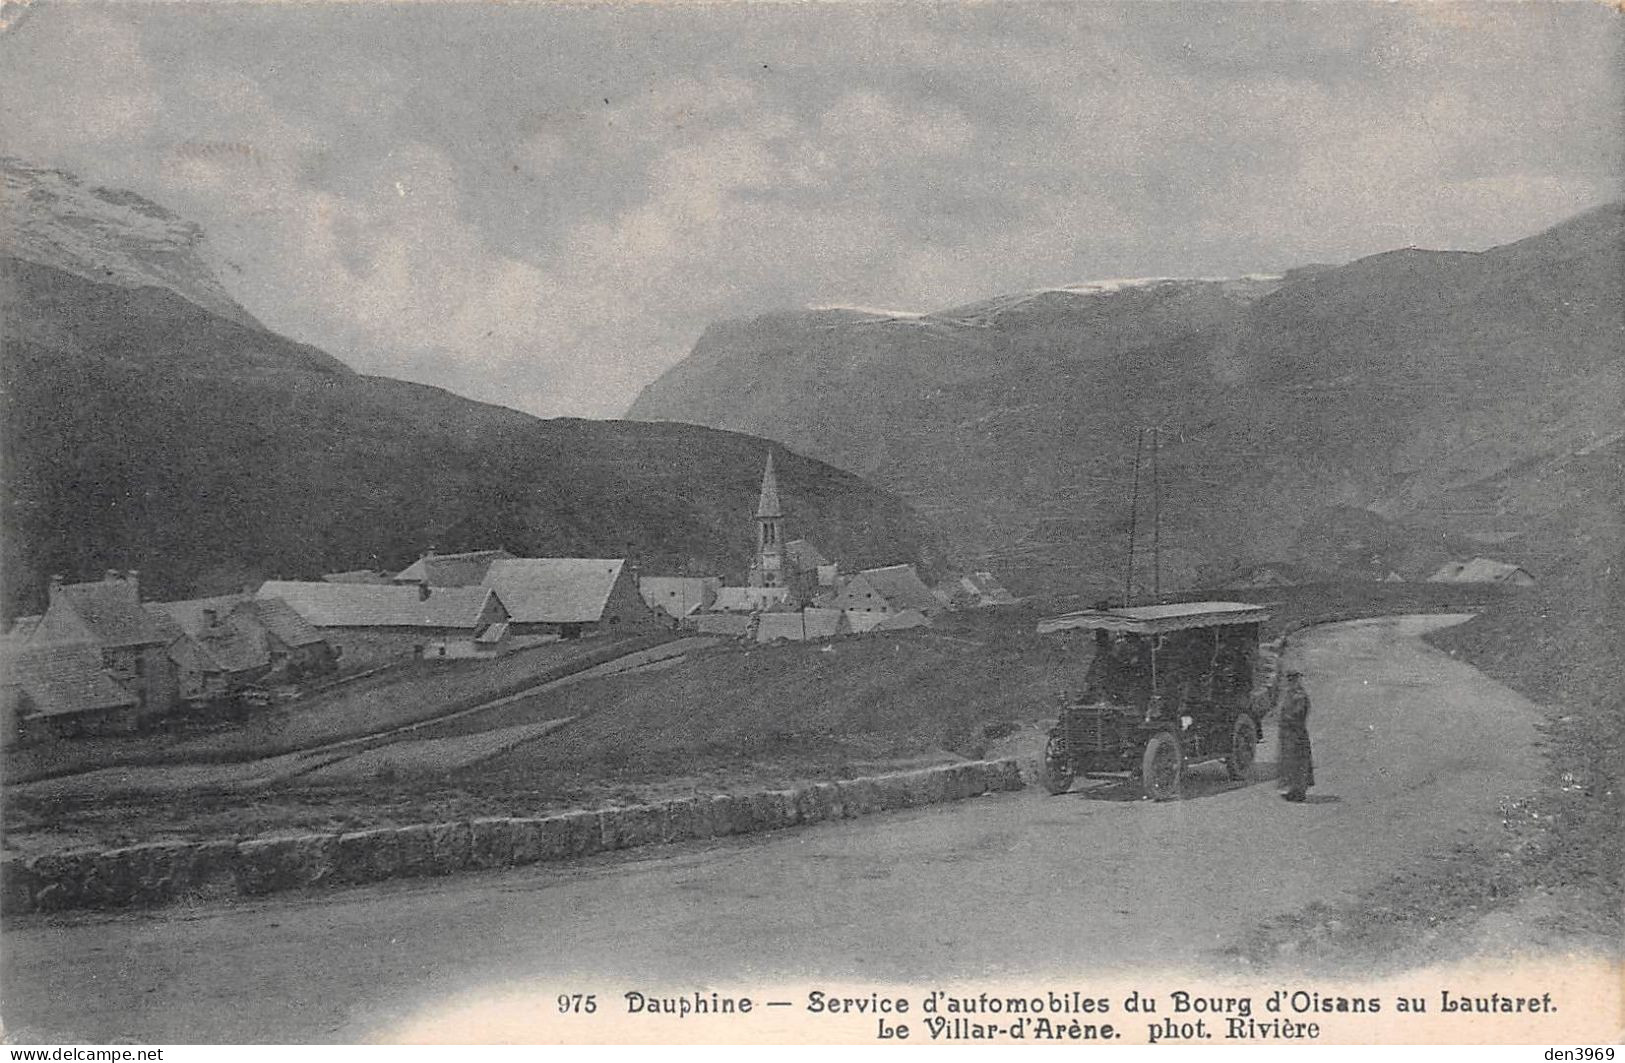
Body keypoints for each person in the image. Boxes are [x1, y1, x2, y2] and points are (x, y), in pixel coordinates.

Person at [1277, 668, 1315, 802]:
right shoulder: (1290, 694)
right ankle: (1292, 790)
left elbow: (1299, 713)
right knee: (1289, 763)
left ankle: (1299, 791)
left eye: (1293, 679)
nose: (1291, 682)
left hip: (1296, 733)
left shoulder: (1300, 696)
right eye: (1289, 679)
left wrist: (1287, 719)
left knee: (1299, 763)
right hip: (1288, 733)